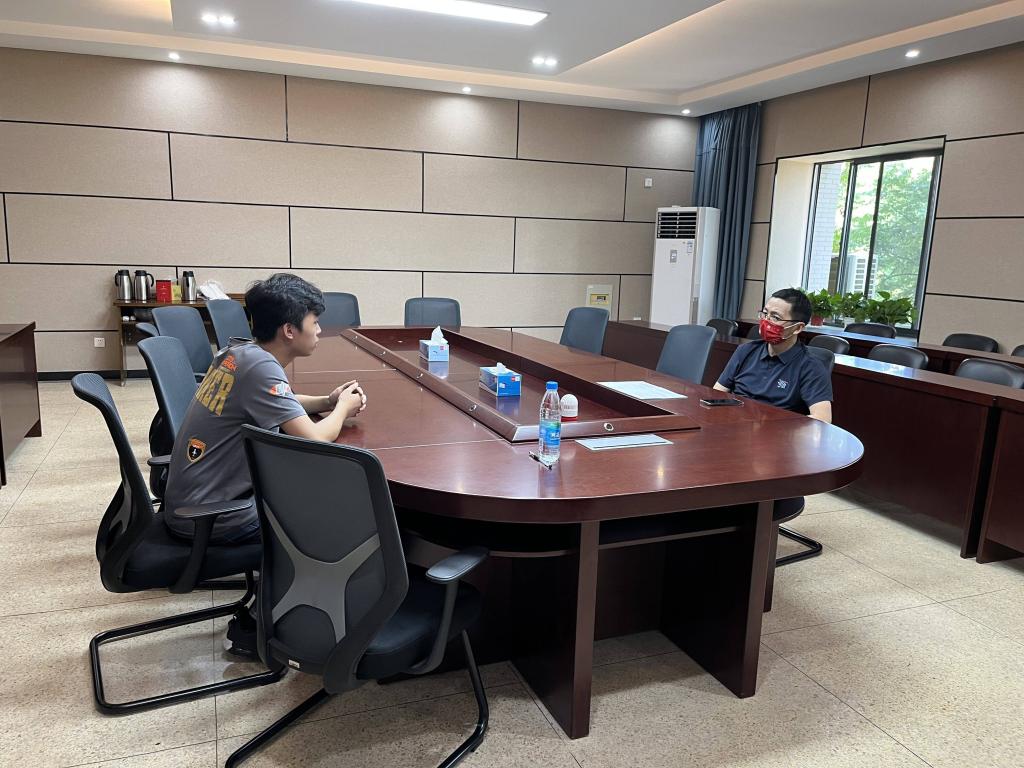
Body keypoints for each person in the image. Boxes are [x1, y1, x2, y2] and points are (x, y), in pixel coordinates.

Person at [163, 273, 367, 544]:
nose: (319, 330)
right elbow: (316, 439)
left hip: (194, 500)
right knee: (337, 504)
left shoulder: (239, 353)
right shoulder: (262, 368)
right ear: (289, 330)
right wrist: (342, 408)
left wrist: (328, 401)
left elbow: (282, 402)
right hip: (216, 516)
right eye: (315, 322)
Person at [713, 287, 832, 422]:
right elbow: (717, 394)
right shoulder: (745, 351)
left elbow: (823, 419)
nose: (766, 321)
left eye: (775, 317)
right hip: (735, 425)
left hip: (777, 431)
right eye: (765, 314)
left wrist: (776, 426)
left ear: (798, 328)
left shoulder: (811, 367)